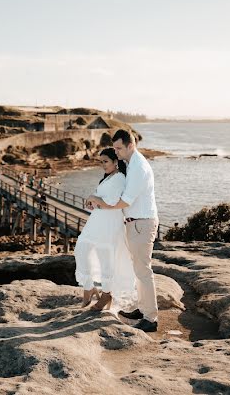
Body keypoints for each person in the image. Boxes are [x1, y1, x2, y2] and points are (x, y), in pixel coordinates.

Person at [85, 129, 159, 332]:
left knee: (143, 271)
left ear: (130, 145)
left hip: (142, 224)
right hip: (134, 223)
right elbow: (117, 191)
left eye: (118, 148)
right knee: (138, 269)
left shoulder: (139, 168)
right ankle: (143, 310)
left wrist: (99, 202)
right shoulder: (130, 164)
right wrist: (99, 200)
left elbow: (125, 201)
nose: (115, 152)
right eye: (114, 148)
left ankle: (151, 319)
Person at [74, 148, 137, 312]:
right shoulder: (108, 178)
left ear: (116, 162)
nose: (102, 165)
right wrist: (92, 201)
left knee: (105, 257)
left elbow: (112, 202)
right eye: (101, 162)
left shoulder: (120, 178)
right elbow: (101, 200)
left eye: (105, 161)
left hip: (109, 221)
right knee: (81, 248)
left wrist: (94, 199)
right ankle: (89, 287)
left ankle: (107, 294)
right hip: (97, 220)